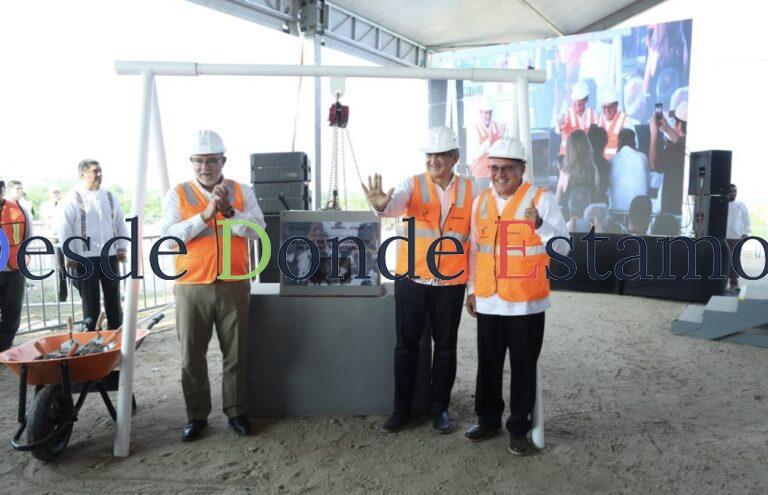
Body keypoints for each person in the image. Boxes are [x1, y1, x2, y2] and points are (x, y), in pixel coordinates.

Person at [362, 126, 476, 434]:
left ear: (454, 157)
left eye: (440, 155)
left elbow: (476, 243)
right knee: (406, 346)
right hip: (412, 279)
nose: (433, 160)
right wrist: (380, 205)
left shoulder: (471, 190)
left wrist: (473, 288)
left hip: (450, 283)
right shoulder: (411, 184)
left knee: (446, 348)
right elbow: (392, 207)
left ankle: (440, 409)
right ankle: (402, 410)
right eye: (429, 155)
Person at [464, 137, 569, 455]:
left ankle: (518, 428)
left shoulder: (541, 199)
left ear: (522, 169)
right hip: (489, 299)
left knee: (523, 368)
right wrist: (472, 290)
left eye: (507, 168)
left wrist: (540, 225)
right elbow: (474, 250)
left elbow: (563, 247)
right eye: (494, 167)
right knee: (488, 364)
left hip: (526, 302)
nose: (499, 174)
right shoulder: (481, 202)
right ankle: (488, 419)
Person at [161, 130, 265, 441]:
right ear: (191, 162)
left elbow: (258, 230)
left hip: (234, 283)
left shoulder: (241, 191)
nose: (205, 167)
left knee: (236, 353)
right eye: (199, 160)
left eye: (212, 160)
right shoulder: (178, 194)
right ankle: (196, 416)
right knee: (191, 355)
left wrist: (230, 212)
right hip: (192, 285)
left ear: (223, 161)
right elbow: (171, 238)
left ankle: (236, 411)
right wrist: (205, 216)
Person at [57, 160, 128, 331]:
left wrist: (121, 247)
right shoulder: (72, 197)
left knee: (113, 295)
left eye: (100, 171)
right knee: (90, 299)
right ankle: (92, 334)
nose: (99, 174)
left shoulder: (109, 196)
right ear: (82, 174)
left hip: (109, 254)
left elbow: (120, 222)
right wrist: (70, 254)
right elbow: (64, 227)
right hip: (84, 257)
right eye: (95, 171)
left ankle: (116, 332)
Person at [0, 180, 34, 351]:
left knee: (12, 311)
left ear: (3, 191)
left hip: (14, 268)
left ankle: (4, 347)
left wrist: (25, 255)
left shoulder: (20, 209)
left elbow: (28, 235)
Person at [649, 100, 687, 215]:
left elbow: (652, 164)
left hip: (671, 211)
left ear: (679, 125)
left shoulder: (674, 149)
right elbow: (681, 143)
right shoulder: (688, 146)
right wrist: (667, 129)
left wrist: (654, 133)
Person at [555, 129, 599, 218]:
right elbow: (596, 197)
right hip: (588, 221)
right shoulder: (594, 170)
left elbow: (557, 202)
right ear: (587, 147)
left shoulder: (565, 173)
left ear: (569, 149)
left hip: (568, 221)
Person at [607, 128, 649, 212]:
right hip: (638, 211)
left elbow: (608, 188)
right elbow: (648, 183)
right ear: (634, 142)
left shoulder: (612, 160)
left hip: (617, 210)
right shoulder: (642, 157)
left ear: (619, 142)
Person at [470, 96, 505, 187]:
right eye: (485, 113)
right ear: (480, 113)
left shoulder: (498, 127)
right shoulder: (474, 129)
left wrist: (503, 138)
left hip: (497, 173)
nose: (488, 116)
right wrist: (489, 141)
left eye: (490, 112)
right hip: (481, 174)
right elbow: (475, 154)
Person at [40, 186, 67, 302]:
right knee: (59, 268)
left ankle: (66, 293)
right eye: (53, 192)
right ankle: (62, 295)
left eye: (57, 192)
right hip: (54, 239)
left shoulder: (65, 204)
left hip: (65, 239)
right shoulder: (46, 206)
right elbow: (48, 220)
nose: (56, 194)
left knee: (67, 267)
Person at [557, 80, 597, 157]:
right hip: (567, 158)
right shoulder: (566, 114)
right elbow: (558, 130)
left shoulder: (593, 115)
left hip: (585, 158)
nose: (577, 103)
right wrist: (560, 128)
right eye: (575, 100)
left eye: (580, 100)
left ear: (586, 99)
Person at [726, 184, 750, 291]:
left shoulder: (740, 205)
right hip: (723, 237)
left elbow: (746, 220)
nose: (733, 193)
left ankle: (734, 283)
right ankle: (721, 284)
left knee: (734, 261)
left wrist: (745, 233)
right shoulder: (722, 205)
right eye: (731, 191)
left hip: (736, 238)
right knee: (723, 261)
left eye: (735, 191)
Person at [598, 88, 633, 159]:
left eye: (609, 107)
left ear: (616, 105)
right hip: (602, 163)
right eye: (604, 107)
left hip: (620, 163)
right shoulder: (598, 120)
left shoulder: (626, 120)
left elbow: (633, 147)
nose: (607, 110)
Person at [587, 124, 611, 204]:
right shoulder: (605, 164)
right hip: (598, 204)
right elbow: (604, 188)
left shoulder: (581, 162)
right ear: (605, 143)